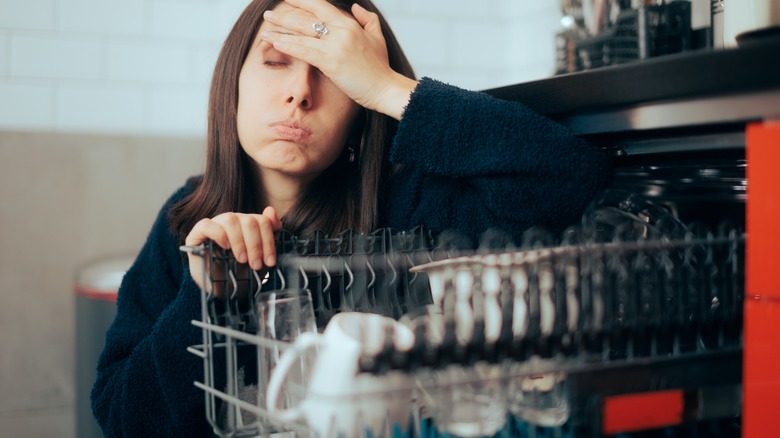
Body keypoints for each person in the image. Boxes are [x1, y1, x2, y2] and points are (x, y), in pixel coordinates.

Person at [91, 0, 612, 436]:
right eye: (276, 62)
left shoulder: (413, 202)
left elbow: (572, 178)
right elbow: (121, 418)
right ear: (233, 84)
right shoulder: (187, 223)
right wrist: (205, 300)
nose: (300, 93)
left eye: (334, 74)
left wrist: (388, 89)